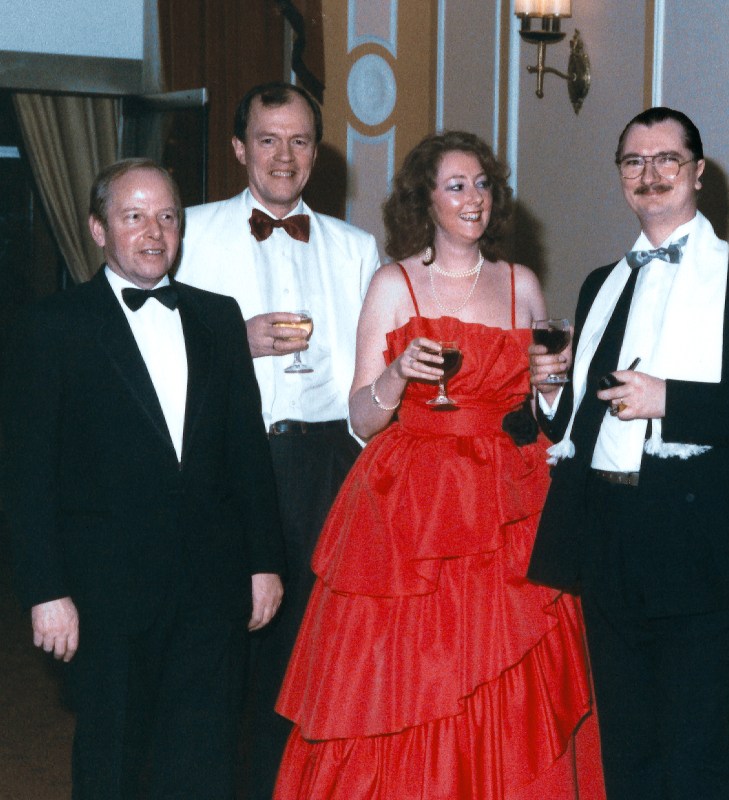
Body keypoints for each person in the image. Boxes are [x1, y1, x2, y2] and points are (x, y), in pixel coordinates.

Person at [272, 130, 604, 799]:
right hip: (413, 507)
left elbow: (544, 410)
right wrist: (396, 374)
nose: (473, 198)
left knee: (514, 666)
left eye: (482, 184)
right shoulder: (393, 284)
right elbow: (361, 419)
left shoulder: (521, 284)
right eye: (456, 186)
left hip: (508, 500)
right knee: (414, 678)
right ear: (425, 200)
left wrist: (552, 384)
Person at [525, 107, 729, 799]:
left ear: (699, 172)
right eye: (634, 161)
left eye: (667, 160)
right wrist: (550, 393)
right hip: (609, 539)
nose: (649, 174)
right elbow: (581, 421)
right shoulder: (601, 284)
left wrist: (671, 400)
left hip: (701, 545)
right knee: (627, 752)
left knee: (697, 756)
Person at [1, 159, 284, 799]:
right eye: (134, 216)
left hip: (211, 590)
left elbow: (246, 452)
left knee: (206, 766)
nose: (154, 233)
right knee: (112, 767)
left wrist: (264, 561)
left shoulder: (218, 318)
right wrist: (45, 591)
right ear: (98, 229)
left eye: (167, 217)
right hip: (106, 595)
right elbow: (27, 477)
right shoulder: (52, 328)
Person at [175, 81, 380, 798]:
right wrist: (235, 341)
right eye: (267, 140)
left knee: (312, 652)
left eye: (299, 141)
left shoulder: (357, 247)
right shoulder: (190, 231)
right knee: (224, 645)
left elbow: (373, 369)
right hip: (232, 462)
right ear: (239, 149)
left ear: (316, 153)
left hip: (329, 464)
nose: (284, 156)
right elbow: (149, 346)